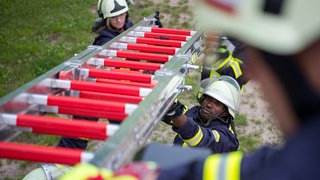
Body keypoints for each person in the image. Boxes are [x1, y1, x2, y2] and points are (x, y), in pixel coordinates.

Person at [161, 75, 240, 153]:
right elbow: (182, 115)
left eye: (217, 103)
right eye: (209, 98)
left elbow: (201, 138)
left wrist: (174, 112)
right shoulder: (197, 112)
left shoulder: (227, 138)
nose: (209, 104)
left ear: (226, 112)